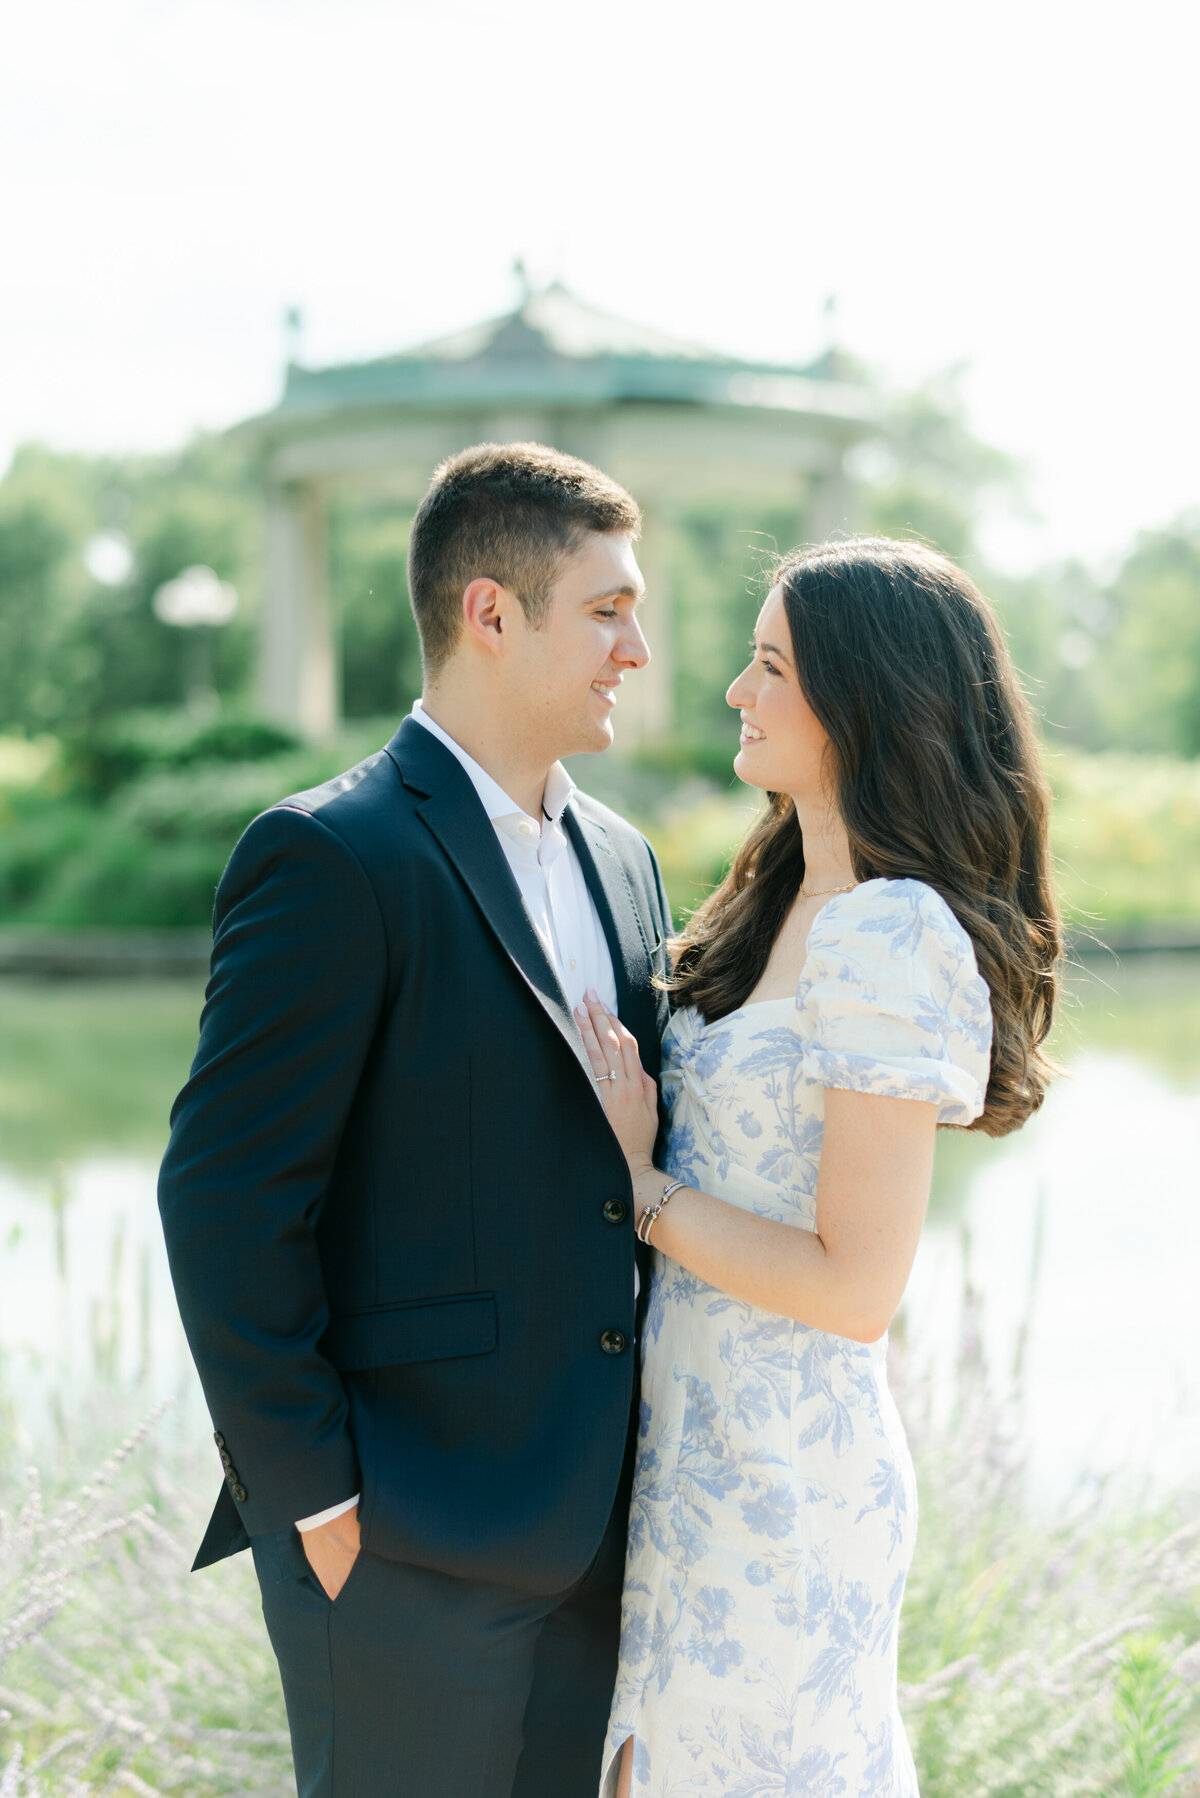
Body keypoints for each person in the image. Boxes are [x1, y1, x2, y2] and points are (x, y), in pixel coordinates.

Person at [157, 441, 675, 1798]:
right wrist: (315, 1502)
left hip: (597, 1539)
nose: (638, 646)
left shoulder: (625, 860)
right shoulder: (331, 854)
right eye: (609, 608)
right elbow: (225, 1198)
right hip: (400, 1547)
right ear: (491, 613)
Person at [579, 537, 1062, 1797]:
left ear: (864, 702)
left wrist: (638, 1191)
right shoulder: (774, 895)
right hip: (682, 1451)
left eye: (770, 665)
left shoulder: (891, 931)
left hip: (785, 1481)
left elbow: (858, 1289)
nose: (738, 691)